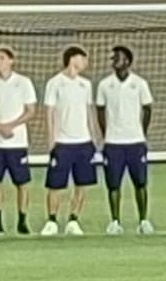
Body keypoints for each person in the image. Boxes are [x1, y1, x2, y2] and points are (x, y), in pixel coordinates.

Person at [0, 47, 37, 235]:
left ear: (11, 61)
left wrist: (11, 125)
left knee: (22, 183)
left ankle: (22, 221)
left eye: (1, 58)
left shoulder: (23, 82)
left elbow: (31, 111)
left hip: (17, 142)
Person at [95, 47, 155, 234]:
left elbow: (147, 109)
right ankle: (115, 221)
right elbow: (100, 111)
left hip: (135, 142)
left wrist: (141, 132)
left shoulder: (139, 83)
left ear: (128, 61)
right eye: (113, 58)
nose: (114, 61)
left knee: (140, 183)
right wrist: (107, 134)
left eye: (118, 58)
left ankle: (143, 221)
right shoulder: (105, 85)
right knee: (113, 184)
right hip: (113, 143)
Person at [39, 46, 97, 235]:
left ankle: (74, 219)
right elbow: (49, 112)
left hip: (83, 142)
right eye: (83, 59)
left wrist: (94, 137)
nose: (86, 63)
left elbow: (89, 111)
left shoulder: (86, 84)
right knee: (55, 184)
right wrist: (51, 140)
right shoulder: (55, 83)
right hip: (62, 142)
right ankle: (52, 220)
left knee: (82, 184)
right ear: (73, 59)